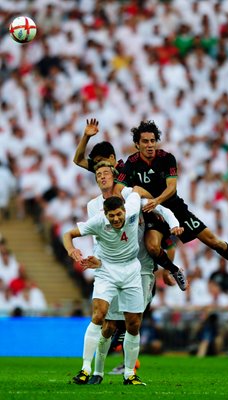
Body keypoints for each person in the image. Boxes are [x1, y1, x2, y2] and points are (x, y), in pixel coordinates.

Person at [115, 120, 228, 291]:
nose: (149, 145)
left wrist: (157, 200)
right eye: (145, 141)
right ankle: (174, 270)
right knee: (152, 247)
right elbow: (118, 188)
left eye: (152, 141)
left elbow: (172, 187)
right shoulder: (131, 163)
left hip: (175, 209)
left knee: (214, 242)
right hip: (151, 213)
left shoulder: (166, 158)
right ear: (137, 144)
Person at [82, 161, 183, 384]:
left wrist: (174, 223)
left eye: (106, 173)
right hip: (109, 268)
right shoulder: (93, 205)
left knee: (133, 323)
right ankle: (97, 372)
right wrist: (95, 258)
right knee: (107, 324)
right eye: (98, 174)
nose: (102, 177)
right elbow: (94, 235)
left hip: (137, 269)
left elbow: (159, 206)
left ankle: (130, 372)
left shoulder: (131, 196)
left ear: (115, 176)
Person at [73, 118, 187, 290]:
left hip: (143, 207)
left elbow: (139, 191)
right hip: (127, 214)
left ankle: (169, 270)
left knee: (158, 245)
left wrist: (149, 204)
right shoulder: (104, 169)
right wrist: (86, 137)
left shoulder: (123, 169)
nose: (97, 169)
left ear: (111, 159)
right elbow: (78, 160)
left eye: (99, 162)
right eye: (96, 166)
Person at [63, 193, 146, 386]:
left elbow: (136, 192)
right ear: (105, 214)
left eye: (119, 214)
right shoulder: (98, 222)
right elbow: (68, 234)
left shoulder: (133, 208)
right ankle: (85, 369)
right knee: (99, 315)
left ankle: (129, 374)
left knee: (133, 324)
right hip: (105, 270)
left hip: (131, 270)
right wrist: (71, 250)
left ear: (125, 210)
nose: (116, 219)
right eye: (112, 215)